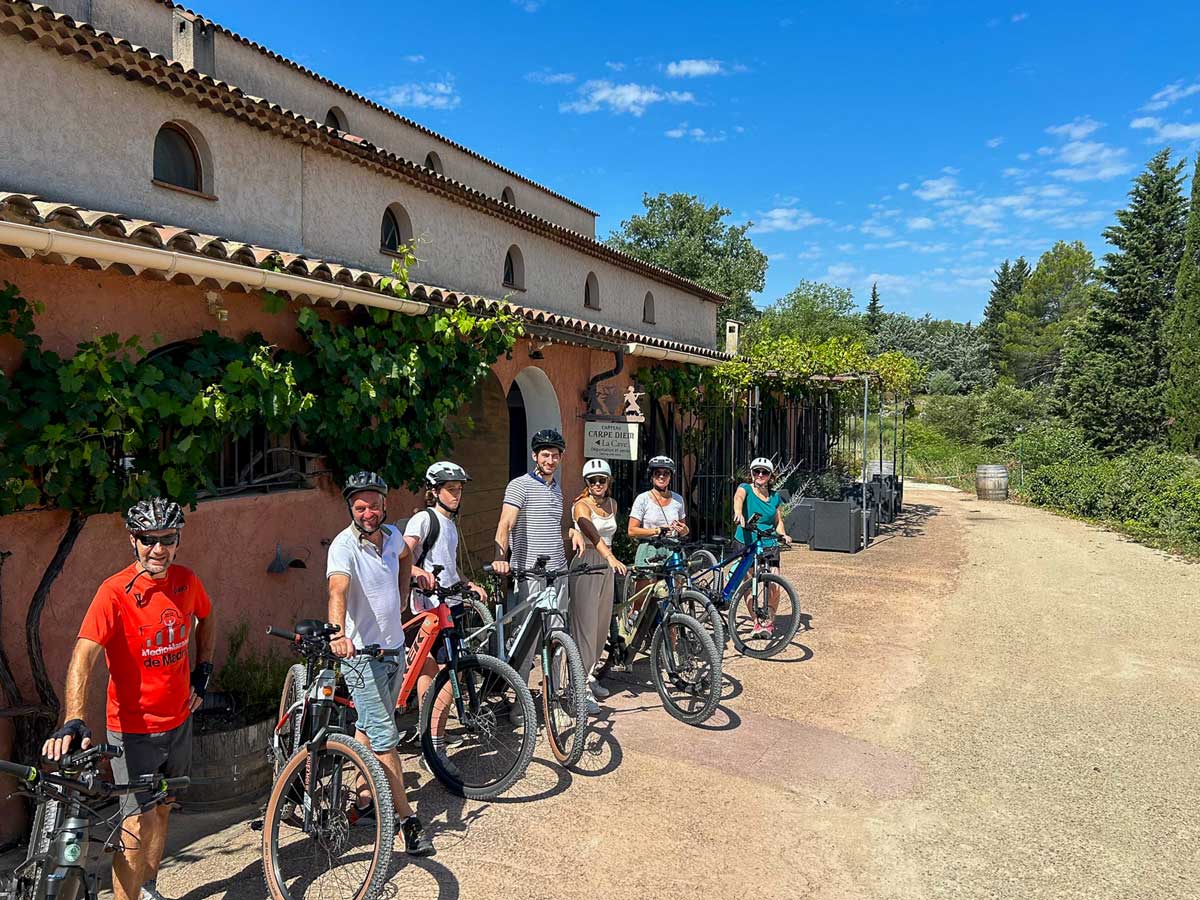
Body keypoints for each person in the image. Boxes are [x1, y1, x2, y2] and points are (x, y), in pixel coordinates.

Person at [42, 498, 215, 900]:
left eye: (167, 539)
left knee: (163, 809)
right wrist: (75, 717)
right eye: (148, 540)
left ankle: (147, 886)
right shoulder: (114, 592)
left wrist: (202, 673)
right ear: (133, 540)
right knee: (136, 823)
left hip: (178, 722)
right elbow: (83, 654)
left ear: (178, 539)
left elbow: (208, 617)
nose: (158, 549)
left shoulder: (187, 580)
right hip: (132, 731)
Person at [326, 471, 434, 857]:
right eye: (359, 506)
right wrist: (338, 633)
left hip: (393, 650)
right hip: (360, 657)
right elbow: (337, 589)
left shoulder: (391, 539)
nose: (367, 512)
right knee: (386, 737)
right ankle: (406, 819)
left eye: (373, 505)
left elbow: (406, 556)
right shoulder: (343, 547)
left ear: (385, 505)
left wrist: (405, 589)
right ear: (350, 509)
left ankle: (363, 801)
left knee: (369, 729)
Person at [403, 460, 487, 769]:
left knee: (450, 672)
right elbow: (404, 556)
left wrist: (467, 583)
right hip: (426, 609)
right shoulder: (424, 520)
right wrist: (416, 572)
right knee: (435, 673)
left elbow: (447, 565)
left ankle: (432, 735)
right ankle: (432, 745)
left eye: (459, 489)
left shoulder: (449, 524)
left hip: (448, 606)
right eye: (450, 489)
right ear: (434, 491)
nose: (456, 495)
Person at [492, 429, 586, 686]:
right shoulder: (519, 485)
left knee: (558, 633)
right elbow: (505, 524)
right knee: (527, 636)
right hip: (530, 571)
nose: (550, 460)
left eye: (555, 455)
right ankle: (518, 703)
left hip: (558, 571)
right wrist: (500, 556)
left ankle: (553, 694)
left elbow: (550, 525)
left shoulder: (557, 489)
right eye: (545, 455)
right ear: (535, 456)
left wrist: (572, 532)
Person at [569, 459, 628, 707]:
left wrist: (611, 560)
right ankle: (578, 688)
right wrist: (611, 556)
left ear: (608, 481)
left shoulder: (613, 504)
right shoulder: (580, 506)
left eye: (601, 480)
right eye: (592, 481)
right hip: (587, 563)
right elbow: (591, 532)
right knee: (585, 626)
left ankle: (589, 675)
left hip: (607, 568)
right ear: (587, 483)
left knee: (601, 626)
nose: (597, 484)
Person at [732, 457, 793, 636]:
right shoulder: (745, 488)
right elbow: (738, 498)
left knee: (775, 583)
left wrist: (783, 534)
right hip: (747, 540)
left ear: (770, 476)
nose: (760, 475)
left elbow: (777, 520)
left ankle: (769, 621)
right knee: (750, 583)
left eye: (764, 472)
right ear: (751, 473)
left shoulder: (774, 497)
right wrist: (738, 513)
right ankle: (756, 622)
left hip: (769, 542)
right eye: (756, 471)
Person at [627, 455, 690, 567]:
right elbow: (632, 531)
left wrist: (684, 530)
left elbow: (683, 531)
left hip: (672, 548)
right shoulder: (643, 499)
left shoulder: (678, 500)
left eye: (666, 473)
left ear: (670, 477)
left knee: (677, 582)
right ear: (652, 476)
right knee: (647, 583)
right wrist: (657, 531)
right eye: (657, 473)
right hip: (649, 547)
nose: (662, 476)